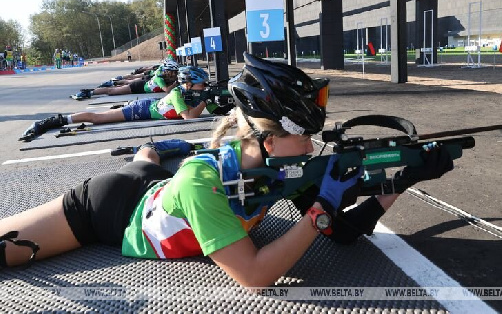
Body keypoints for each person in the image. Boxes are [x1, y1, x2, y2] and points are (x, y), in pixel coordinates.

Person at [4, 53, 454, 288]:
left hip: (159, 185)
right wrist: (319, 209)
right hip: (108, 209)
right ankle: (150, 150)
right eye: (306, 137)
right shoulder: (203, 185)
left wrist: (398, 183)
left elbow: (342, 234)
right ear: (269, 140)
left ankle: (152, 151)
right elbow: (255, 276)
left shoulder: (287, 166)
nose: (313, 146)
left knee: (151, 159)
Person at [21, 66, 216, 140]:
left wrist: (211, 101)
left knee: (99, 117)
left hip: (147, 107)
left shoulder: (186, 92)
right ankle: (48, 122)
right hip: (140, 110)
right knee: (96, 118)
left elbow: (207, 109)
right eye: (202, 84)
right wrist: (205, 100)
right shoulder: (176, 94)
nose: (205, 86)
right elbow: (189, 117)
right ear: (188, 84)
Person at [70, 60, 179, 100]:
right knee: (112, 91)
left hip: (143, 85)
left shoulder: (165, 75)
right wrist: (176, 83)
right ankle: (89, 92)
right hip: (138, 87)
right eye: (174, 72)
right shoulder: (160, 78)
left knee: (116, 88)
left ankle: (114, 83)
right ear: (168, 71)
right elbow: (167, 90)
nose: (175, 75)